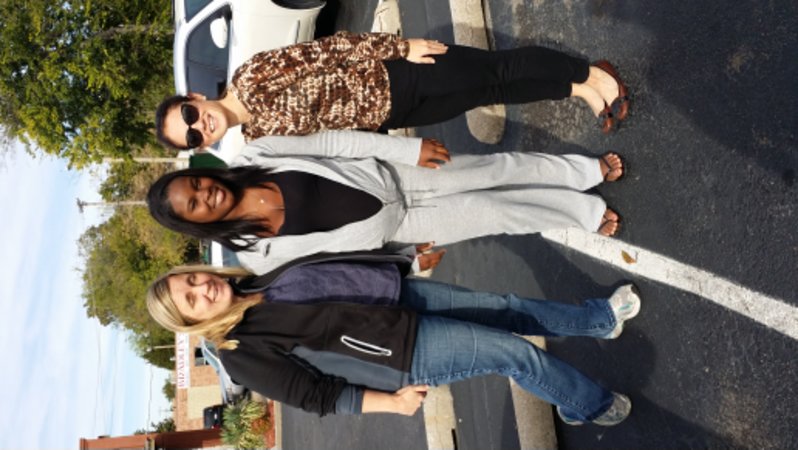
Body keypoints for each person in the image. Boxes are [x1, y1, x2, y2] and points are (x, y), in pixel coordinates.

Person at [146, 253, 641, 424]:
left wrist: (403, 259)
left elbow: (335, 269)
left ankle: (598, 320)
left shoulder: (253, 282)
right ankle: (590, 405)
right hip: (404, 351)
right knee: (514, 354)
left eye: (192, 279)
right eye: (191, 300)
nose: (202, 289)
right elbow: (316, 396)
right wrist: (392, 403)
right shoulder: (241, 354)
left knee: (505, 306)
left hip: (398, 297)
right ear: (190, 322)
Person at [146, 130, 625, 275]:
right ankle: (584, 213)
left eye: (196, 185)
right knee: (501, 214)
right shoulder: (256, 255)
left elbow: (333, 144)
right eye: (195, 205)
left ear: (200, 174)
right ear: (196, 223)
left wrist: (407, 149)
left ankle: (583, 171)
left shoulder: (254, 156)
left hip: (398, 171)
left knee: (498, 169)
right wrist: (405, 262)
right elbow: (333, 267)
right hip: (403, 228)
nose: (205, 195)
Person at [155, 31, 630, 149]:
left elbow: (329, 50)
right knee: (491, 93)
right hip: (391, 115)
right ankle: (578, 89)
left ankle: (593, 72)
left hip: (395, 73)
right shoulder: (257, 139)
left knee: (496, 69)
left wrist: (402, 47)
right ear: (203, 146)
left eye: (190, 117)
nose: (201, 126)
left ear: (195, 99)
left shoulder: (250, 77)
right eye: (192, 137)